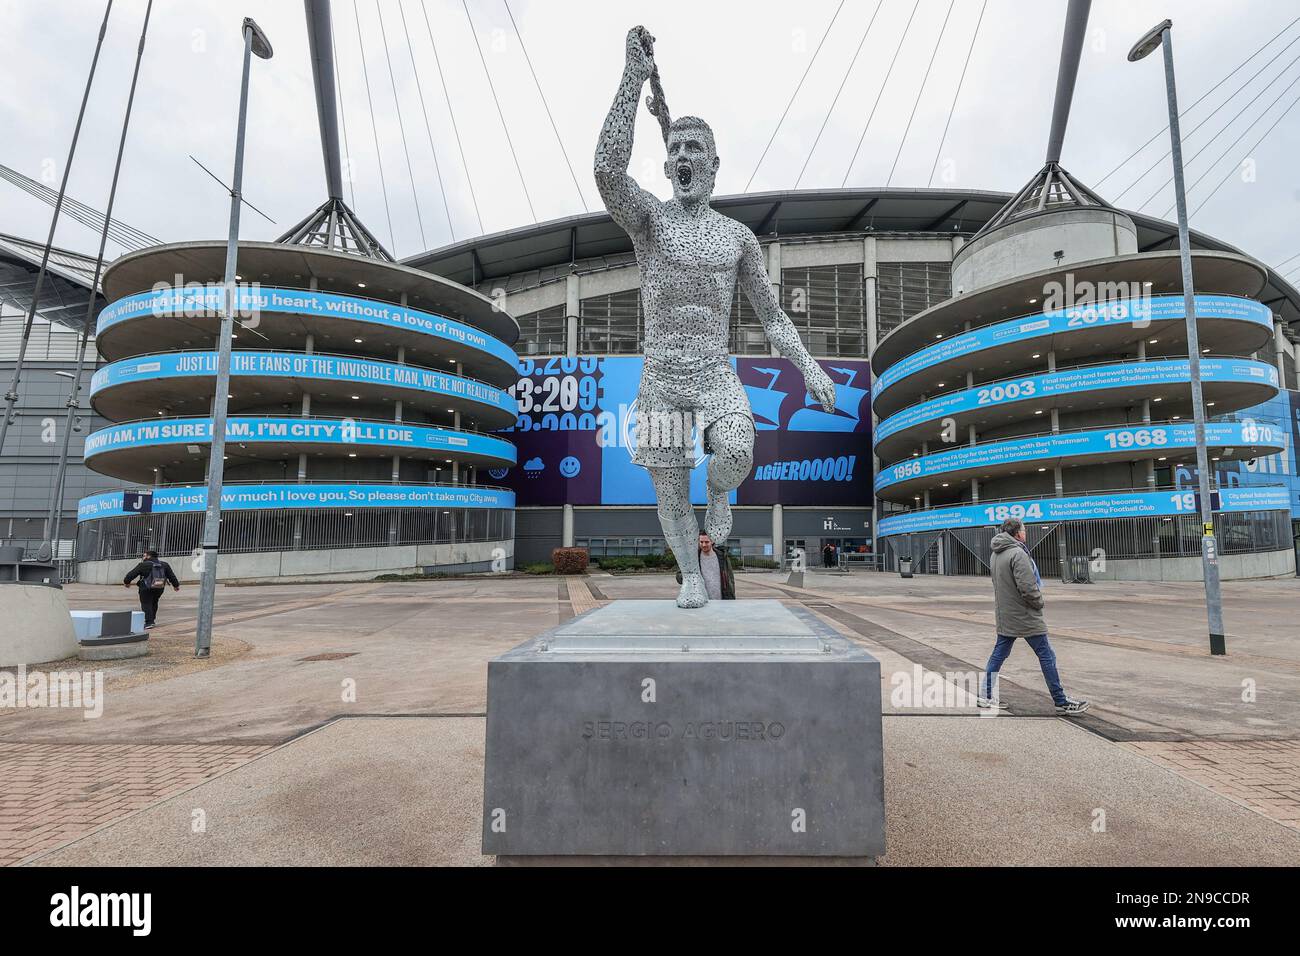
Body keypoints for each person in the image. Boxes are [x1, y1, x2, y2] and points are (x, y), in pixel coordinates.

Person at [595, 25, 835, 608]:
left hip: (713, 375)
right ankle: (688, 577)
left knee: (735, 452)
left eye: (693, 149)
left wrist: (809, 367)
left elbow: (773, 316)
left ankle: (722, 494)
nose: (681, 157)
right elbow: (607, 169)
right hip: (660, 380)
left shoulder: (737, 239)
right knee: (669, 490)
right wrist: (632, 76)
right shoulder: (649, 221)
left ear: (714, 165)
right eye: (674, 149)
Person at [981, 518, 1090, 715]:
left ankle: (986, 695)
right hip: (1024, 614)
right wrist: (1038, 602)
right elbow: (1027, 587)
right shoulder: (1017, 553)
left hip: (1005, 614)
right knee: (1046, 655)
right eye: (1024, 530)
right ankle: (1060, 700)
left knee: (998, 654)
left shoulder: (996, 554)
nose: (1025, 533)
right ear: (1017, 533)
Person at [123, 549, 180, 629]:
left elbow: (131, 575)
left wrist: (127, 582)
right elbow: (171, 576)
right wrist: (176, 585)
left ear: (148, 556)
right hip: (159, 587)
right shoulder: (165, 564)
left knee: (146, 603)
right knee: (154, 602)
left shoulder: (143, 565)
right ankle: (152, 620)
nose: (143, 557)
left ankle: (149, 622)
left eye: (144, 555)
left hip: (146, 587)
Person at [675, 532, 735, 601]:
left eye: (706, 542)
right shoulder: (692, 559)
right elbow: (679, 577)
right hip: (701, 601)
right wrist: (689, 577)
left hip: (721, 602)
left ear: (712, 541)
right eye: (701, 542)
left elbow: (730, 579)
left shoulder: (723, 557)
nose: (704, 545)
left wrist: (731, 597)